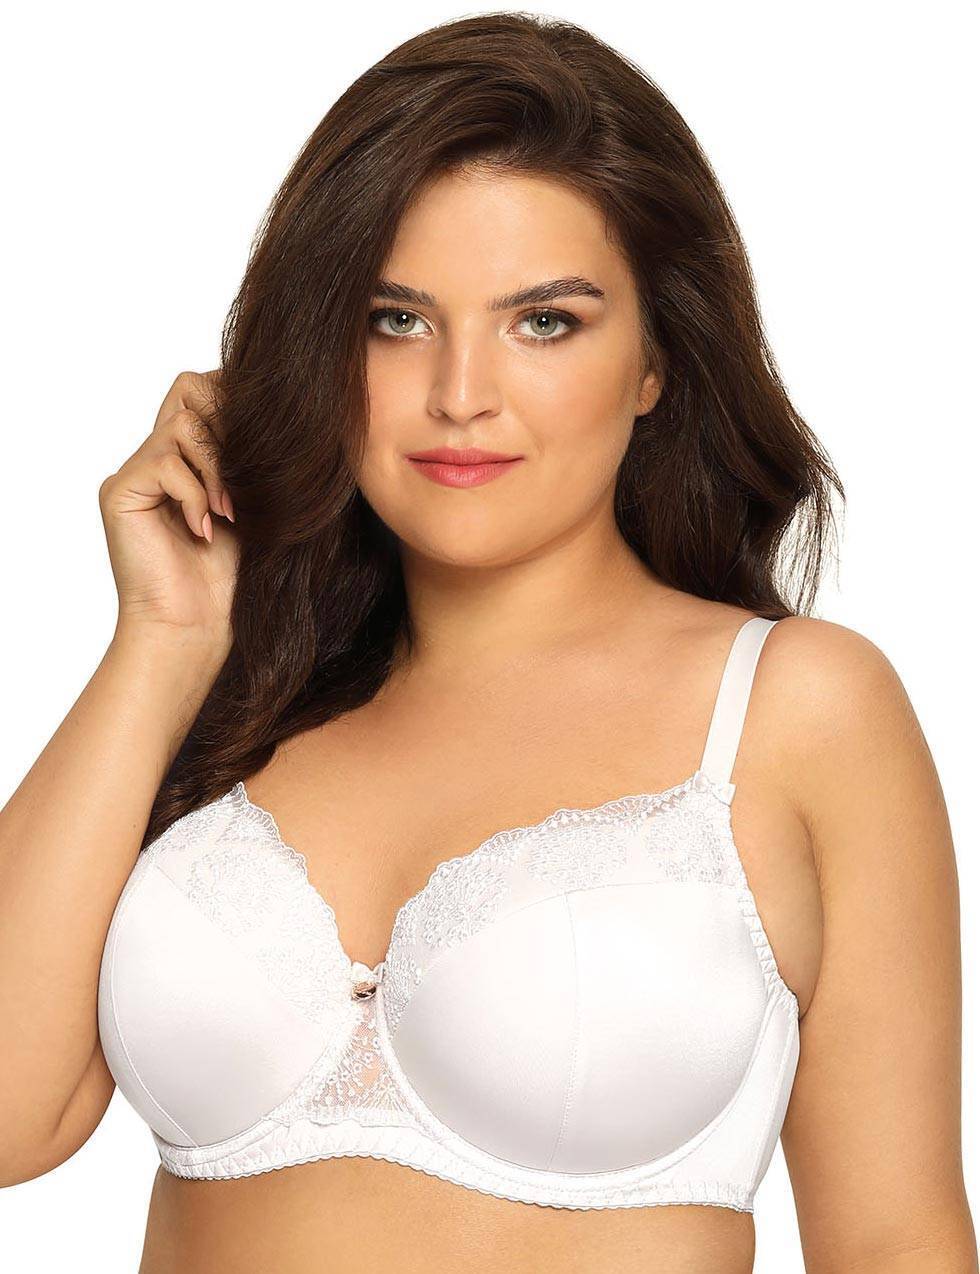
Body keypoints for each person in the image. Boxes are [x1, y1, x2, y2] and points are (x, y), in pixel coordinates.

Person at [1, 12, 975, 1274]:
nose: (459, 394)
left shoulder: (792, 710)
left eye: (544, 321)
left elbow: (895, 1239)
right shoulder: (229, 699)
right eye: (394, 320)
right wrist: (164, 636)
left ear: (655, 361)